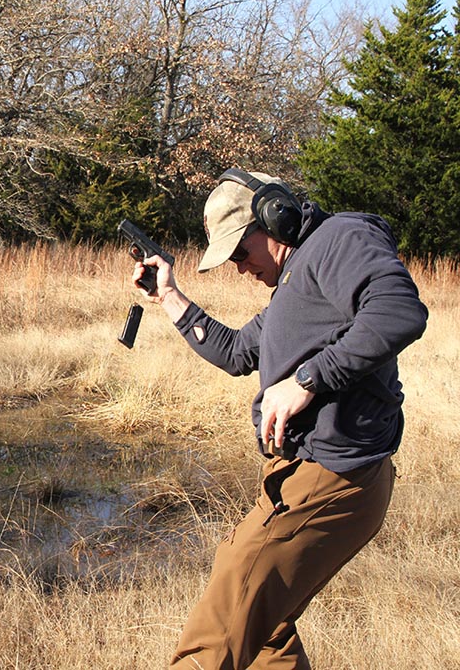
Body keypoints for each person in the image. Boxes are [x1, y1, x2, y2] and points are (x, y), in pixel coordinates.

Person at [131, 169, 428, 669]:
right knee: (267, 628)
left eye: (241, 253)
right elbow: (235, 351)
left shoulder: (338, 240)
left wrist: (307, 380)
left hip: (335, 476)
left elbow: (399, 310)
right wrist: (169, 297)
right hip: (301, 473)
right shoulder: (294, 281)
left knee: (228, 606)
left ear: (275, 216)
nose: (240, 268)